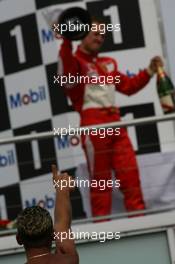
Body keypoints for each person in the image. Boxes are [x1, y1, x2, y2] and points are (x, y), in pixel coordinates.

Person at [57, 17, 163, 218]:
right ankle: (104, 238)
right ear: (83, 34)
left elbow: (129, 87)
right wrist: (67, 40)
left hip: (116, 125)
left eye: (103, 35)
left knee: (131, 178)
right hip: (93, 126)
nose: (100, 38)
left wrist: (149, 71)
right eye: (95, 33)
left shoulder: (108, 63)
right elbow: (66, 76)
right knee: (101, 184)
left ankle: (140, 226)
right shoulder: (74, 62)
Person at [16, 165, 79, 264]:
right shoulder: (69, 260)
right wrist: (62, 189)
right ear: (53, 235)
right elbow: (62, 227)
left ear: (18, 239)